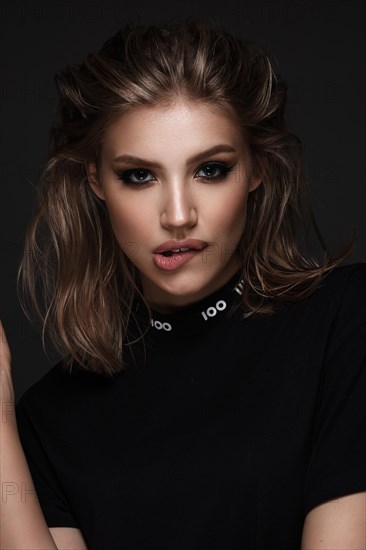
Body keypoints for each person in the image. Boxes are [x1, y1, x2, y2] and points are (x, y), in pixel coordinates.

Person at [1, 18, 365, 550]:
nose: (177, 215)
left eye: (211, 170)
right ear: (96, 182)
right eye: (139, 176)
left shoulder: (345, 325)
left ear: (257, 168)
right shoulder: (49, 420)